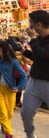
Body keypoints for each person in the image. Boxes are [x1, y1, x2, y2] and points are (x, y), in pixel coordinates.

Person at [21, 10, 49, 138]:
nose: (29, 26)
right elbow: (38, 57)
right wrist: (22, 51)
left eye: (31, 23)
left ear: (38, 25)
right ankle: (30, 135)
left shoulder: (37, 39)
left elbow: (43, 54)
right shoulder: (38, 39)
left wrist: (32, 39)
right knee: (26, 112)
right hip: (34, 80)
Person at [0, 40, 27, 138]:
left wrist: (19, 88)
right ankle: (9, 132)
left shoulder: (13, 61)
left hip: (10, 89)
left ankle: (4, 124)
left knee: (9, 112)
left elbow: (23, 75)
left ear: (1, 48)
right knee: (3, 111)